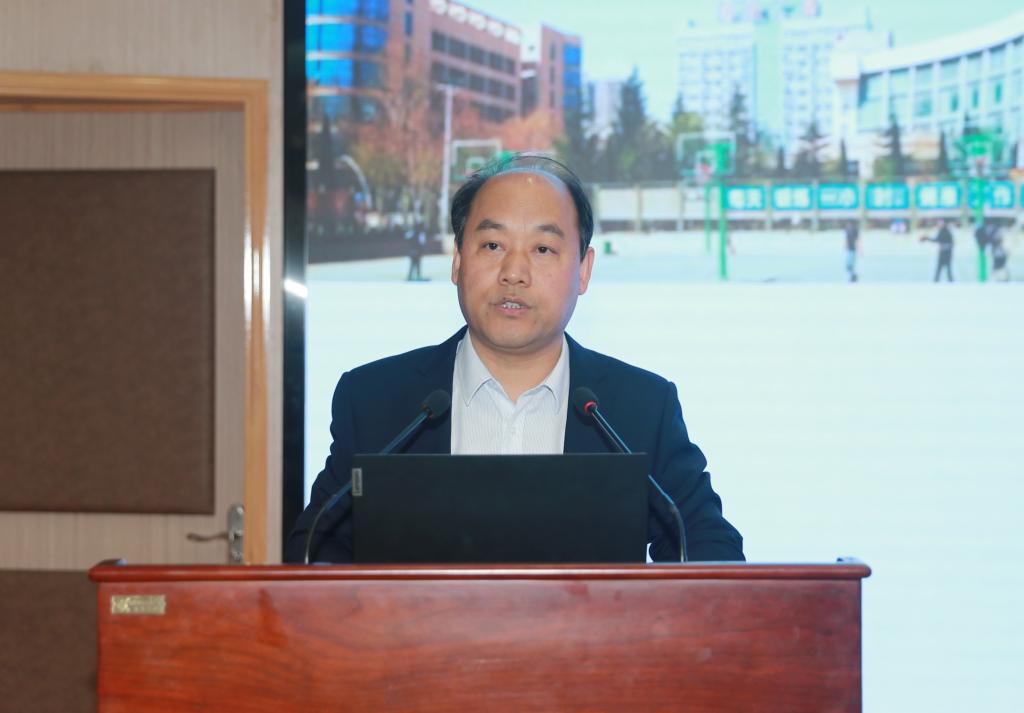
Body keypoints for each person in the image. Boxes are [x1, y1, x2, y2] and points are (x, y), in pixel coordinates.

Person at [285, 155, 744, 564]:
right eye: (492, 246)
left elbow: (709, 550)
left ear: (583, 270)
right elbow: (315, 553)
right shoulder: (376, 401)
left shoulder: (640, 408)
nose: (514, 274)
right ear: (458, 261)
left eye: (543, 249)